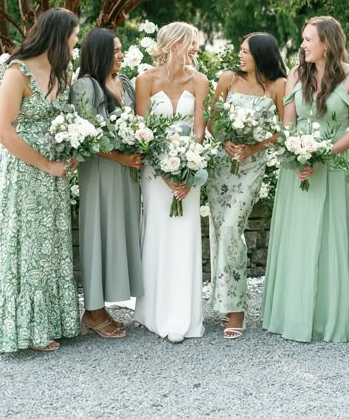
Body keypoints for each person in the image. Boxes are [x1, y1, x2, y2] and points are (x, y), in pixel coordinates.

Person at [0, 8, 81, 352]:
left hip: (53, 173)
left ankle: (51, 321)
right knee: (25, 244)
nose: (76, 41)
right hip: (23, 171)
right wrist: (47, 165)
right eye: (73, 35)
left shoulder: (61, 73)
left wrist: (74, 149)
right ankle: (25, 329)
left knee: (48, 245)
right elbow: (4, 132)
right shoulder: (16, 72)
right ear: (59, 36)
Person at [262, 16, 349, 342]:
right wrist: (297, 157)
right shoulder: (297, 74)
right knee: (299, 236)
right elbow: (288, 124)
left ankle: (331, 317)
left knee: (332, 238)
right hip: (298, 169)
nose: (303, 45)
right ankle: (293, 313)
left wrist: (322, 156)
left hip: (335, 168)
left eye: (309, 39)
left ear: (328, 44)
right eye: (303, 39)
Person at [207, 33, 287, 339]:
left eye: (245, 52)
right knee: (219, 231)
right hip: (221, 164)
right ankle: (224, 300)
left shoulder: (278, 86)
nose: (240, 56)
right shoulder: (228, 79)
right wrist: (225, 139)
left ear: (261, 55)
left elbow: (283, 130)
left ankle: (237, 309)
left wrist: (253, 148)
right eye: (239, 50)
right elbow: (212, 119)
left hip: (251, 166)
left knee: (231, 228)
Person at [133, 21, 209, 343]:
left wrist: (189, 172)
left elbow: (200, 130)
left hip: (189, 175)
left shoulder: (201, 80)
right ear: (176, 44)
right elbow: (141, 132)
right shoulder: (145, 80)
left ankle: (182, 316)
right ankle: (153, 314)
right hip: (155, 173)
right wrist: (164, 171)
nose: (195, 49)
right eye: (192, 42)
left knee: (184, 238)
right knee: (159, 235)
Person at [70, 28, 144, 339]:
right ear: (98, 52)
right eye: (114, 50)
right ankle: (93, 312)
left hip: (126, 173)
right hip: (101, 171)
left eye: (121, 48)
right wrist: (121, 158)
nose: (120, 53)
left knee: (120, 233)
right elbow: (88, 135)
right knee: (99, 232)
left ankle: (103, 308)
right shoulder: (86, 86)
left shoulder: (125, 82)